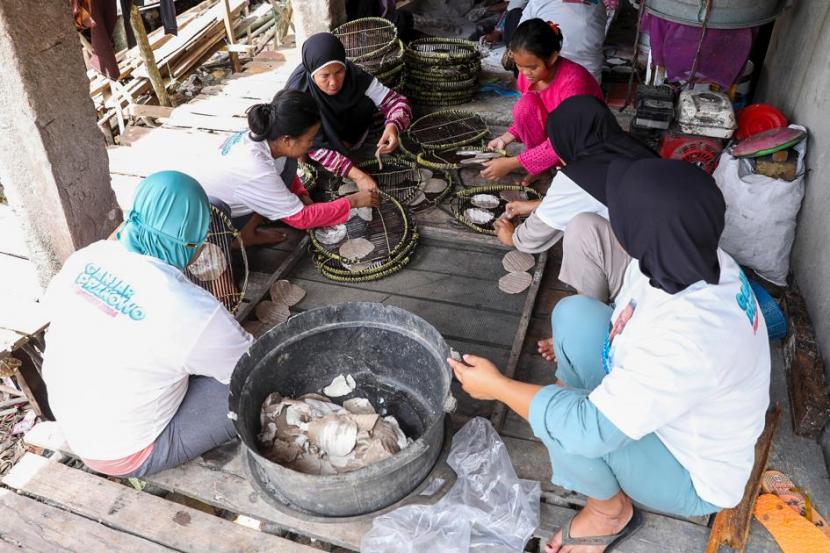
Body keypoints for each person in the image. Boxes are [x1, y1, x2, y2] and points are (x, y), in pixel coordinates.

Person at [450, 159, 770, 552]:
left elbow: (586, 427)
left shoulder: (690, 339)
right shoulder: (690, 256)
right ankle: (578, 428)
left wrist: (498, 387)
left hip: (688, 470)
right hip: (670, 407)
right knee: (574, 314)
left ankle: (609, 512)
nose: (612, 216)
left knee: (563, 427)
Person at [42, 171, 256, 478]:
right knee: (253, 380)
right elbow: (251, 365)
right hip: (128, 452)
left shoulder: (87, 257)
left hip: (77, 422)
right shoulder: (194, 312)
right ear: (197, 240)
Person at [193, 89, 379, 247]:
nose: (312, 144)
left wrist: (301, 194)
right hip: (209, 224)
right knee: (284, 190)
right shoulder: (256, 169)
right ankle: (238, 238)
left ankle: (248, 232)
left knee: (289, 162)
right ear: (288, 140)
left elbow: (285, 173)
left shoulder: (267, 137)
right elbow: (302, 218)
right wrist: (353, 201)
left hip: (230, 196)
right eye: (310, 139)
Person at [494, 95, 656, 253]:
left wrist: (512, 238)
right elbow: (590, 201)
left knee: (581, 229)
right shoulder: (633, 148)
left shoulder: (578, 178)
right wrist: (537, 205)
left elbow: (533, 236)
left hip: (648, 260)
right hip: (663, 236)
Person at [481, 19, 604, 185]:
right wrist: (504, 139)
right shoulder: (527, 77)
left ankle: (557, 169)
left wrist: (511, 163)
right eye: (519, 66)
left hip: (586, 143)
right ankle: (542, 168)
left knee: (576, 183)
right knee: (524, 107)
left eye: (532, 67)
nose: (525, 73)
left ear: (553, 58)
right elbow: (531, 116)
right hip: (558, 134)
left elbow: (564, 140)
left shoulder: (574, 83)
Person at [285, 32, 413, 190]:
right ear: (312, 74)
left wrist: (393, 125)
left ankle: (348, 143)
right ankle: (306, 165)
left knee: (368, 106)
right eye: (324, 76)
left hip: (347, 129)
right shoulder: (298, 92)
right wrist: (358, 176)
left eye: (339, 72)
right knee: (300, 138)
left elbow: (397, 102)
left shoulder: (354, 74)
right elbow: (312, 144)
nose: (333, 82)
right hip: (314, 138)